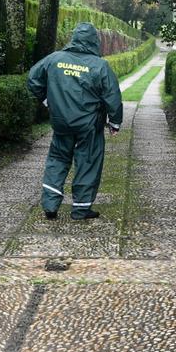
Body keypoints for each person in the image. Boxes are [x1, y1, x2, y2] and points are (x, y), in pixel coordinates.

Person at [27, 22, 123, 220]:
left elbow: (33, 79)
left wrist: (47, 101)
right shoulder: (100, 66)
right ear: (94, 41)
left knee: (57, 160)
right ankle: (80, 209)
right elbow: (112, 96)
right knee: (87, 162)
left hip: (61, 122)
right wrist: (115, 122)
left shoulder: (55, 59)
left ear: (74, 38)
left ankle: (50, 205)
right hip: (89, 125)